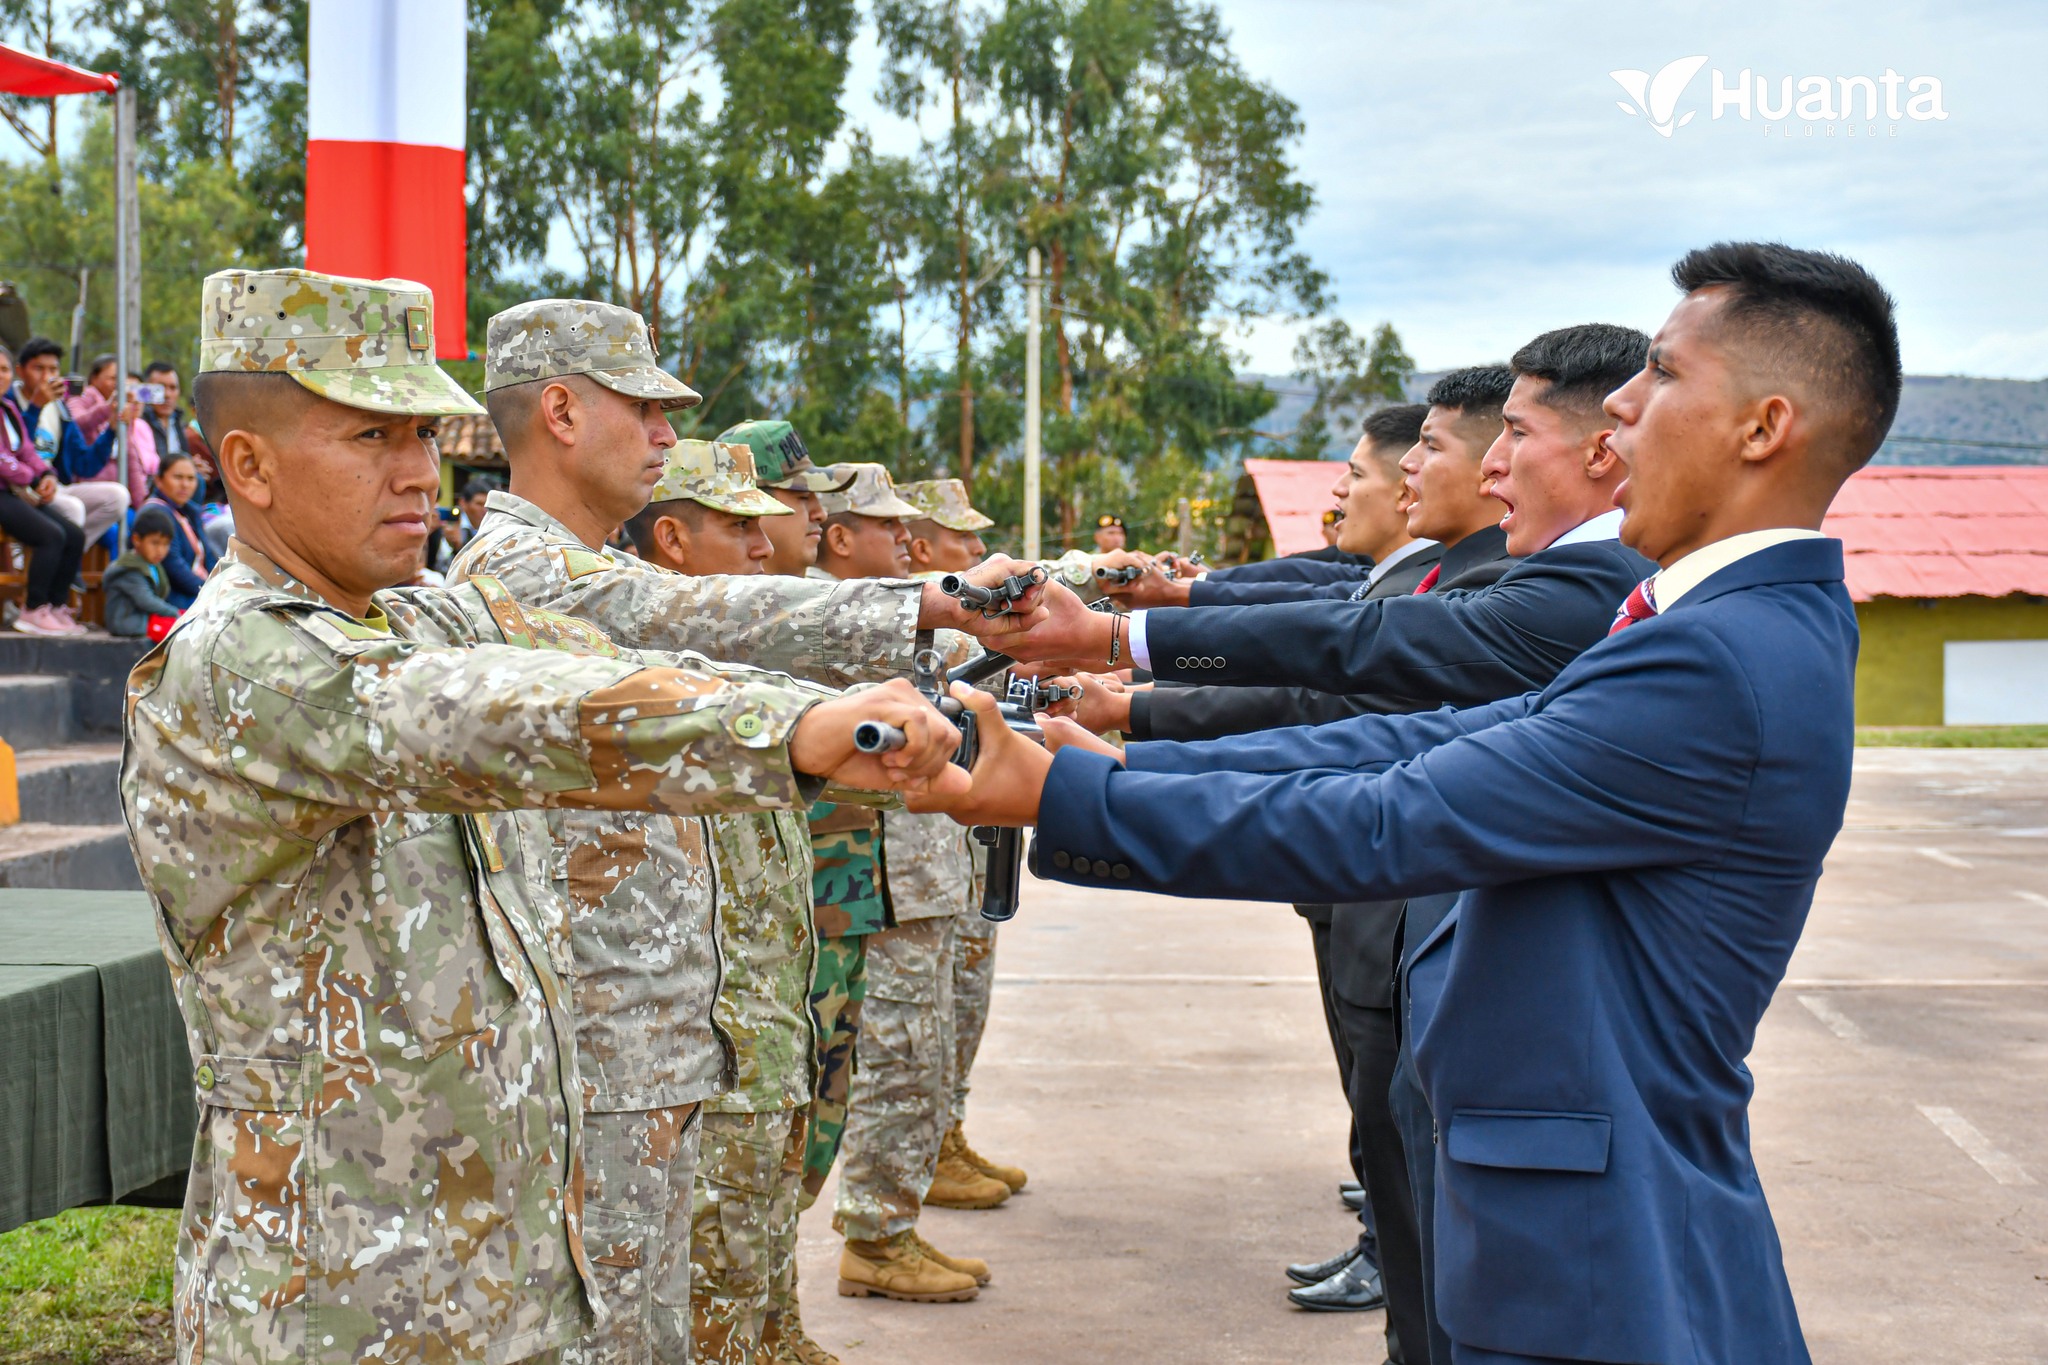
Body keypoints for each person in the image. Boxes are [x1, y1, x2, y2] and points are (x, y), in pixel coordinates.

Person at [929, 242, 1900, 1365]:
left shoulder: (1712, 658)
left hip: (1592, 1260)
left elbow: (1395, 812)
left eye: (1665, 376)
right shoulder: (1704, 627)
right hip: (1575, 1213)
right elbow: (1423, 738)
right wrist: (1111, 770)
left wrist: (1073, 795)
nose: (1625, 405)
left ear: (1761, 426)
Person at [126, 265, 968, 1365]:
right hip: (334, 1307)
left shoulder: (416, 612)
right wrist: (793, 735)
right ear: (249, 467)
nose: (419, 472)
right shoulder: (244, 659)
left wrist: (910, 652)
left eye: (425, 436)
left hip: (498, 1282)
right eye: (371, 439)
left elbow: (632, 638)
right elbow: (486, 709)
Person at [451, 299, 1039, 1363]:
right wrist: (938, 598)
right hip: (601, 1041)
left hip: (671, 1023)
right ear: (561, 411)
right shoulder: (515, 572)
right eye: (648, 410)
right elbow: (709, 616)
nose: (669, 438)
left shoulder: (582, 574)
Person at [622, 440, 826, 1364]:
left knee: (755, 1255)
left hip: (765, 1023)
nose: (762, 542)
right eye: (737, 525)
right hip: (711, 1043)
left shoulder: (731, 666)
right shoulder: (639, 686)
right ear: (670, 539)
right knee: (710, 1288)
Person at [813, 462, 998, 1304]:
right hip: (869, 887)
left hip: (919, 876)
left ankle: (895, 1216)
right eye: (889, 528)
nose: (908, 541)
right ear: (840, 536)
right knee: (889, 1059)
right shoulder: (814, 624)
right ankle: (876, 1236)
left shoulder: (895, 622)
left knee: (916, 1052)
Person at [897, 477, 1032, 1209]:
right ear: (922, 548)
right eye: (962, 539)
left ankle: (944, 1135)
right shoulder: (881, 625)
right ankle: (896, 1195)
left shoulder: (949, 626)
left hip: (953, 860)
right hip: (905, 873)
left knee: (956, 1014)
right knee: (906, 1043)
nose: (978, 550)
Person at [0, 348, 87, 636]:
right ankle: (33, 609)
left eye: (4, 369)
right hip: (3, 493)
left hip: (12, 492)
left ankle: (55, 606)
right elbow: (4, 460)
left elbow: (26, 451)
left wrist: (46, 474)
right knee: (50, 535)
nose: (1, 375)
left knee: (74, 534)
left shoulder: (8, 409)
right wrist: (32, 477)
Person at [140, 453, 218, 608]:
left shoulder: (190, 511)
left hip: (195, 591)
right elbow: (173, 566)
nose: (185, 485)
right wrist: (210, 592)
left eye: (191, 478)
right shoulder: (155, 513)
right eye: (178, 477)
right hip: (171, 598)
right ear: (159, 480)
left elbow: (208, 557)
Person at [101, 505, 182, 637]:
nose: (160, 550)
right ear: (137, 540)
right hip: (127, 624)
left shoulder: (152, 565)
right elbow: (146, 601)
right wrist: (175, 613)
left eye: (165, 544)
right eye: (155, 543)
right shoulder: (129, 570)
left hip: (143, 620)